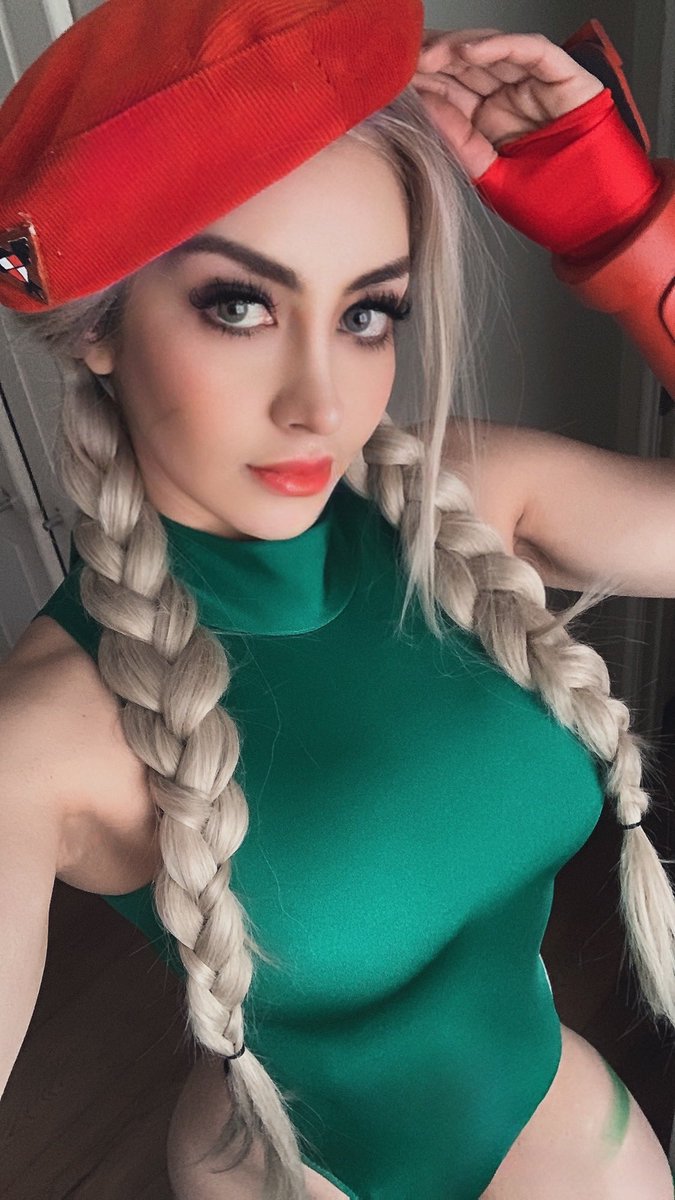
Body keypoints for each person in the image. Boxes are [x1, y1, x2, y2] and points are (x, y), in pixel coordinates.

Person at [0, 2, 673, 1198]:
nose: (323, 403)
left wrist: (636, 244)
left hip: (567, 1142)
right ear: (100, 326)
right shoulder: (46, 735)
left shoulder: (471, 504)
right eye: (240, 306)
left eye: (368, 314)